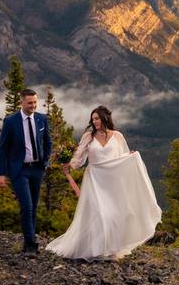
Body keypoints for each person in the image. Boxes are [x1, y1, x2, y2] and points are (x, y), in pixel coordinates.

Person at [46, 105, 162, 261]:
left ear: (104, 118)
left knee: (115, 214)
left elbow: (121, 156)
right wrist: (68, 163)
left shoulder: (118, 136)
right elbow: (79, 159)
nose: (94, 122)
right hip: (95, 178)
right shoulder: (88, 136)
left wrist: (131, 156)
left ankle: (111, 249)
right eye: (92, 119)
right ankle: (95, 249)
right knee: (100, 213)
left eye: (97, 118)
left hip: (113, 180)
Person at [0, 89, 52, 255]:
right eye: (30, 103)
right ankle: (30, 245)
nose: (33, 105)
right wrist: (1, 173)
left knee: (33, 206)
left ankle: (30, 240)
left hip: (37, 169)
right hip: (19, 170)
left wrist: (46, 162)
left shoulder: (42, 119)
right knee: (26, 206)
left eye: (35, 102)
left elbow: (48, 141)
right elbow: (3, 149)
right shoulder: (11, 121)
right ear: (22, 102)